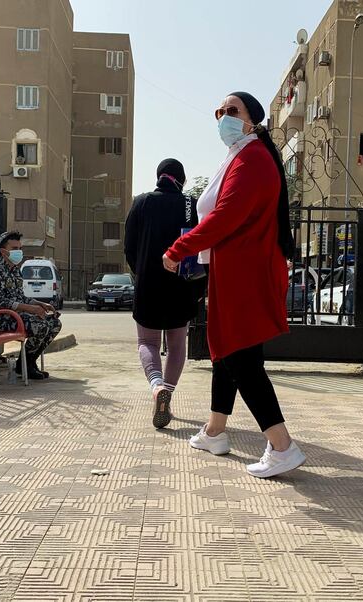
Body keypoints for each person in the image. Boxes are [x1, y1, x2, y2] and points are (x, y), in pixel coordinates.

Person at [162, 91, 306, 479]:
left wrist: (178, 248)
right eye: (219, 112)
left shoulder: (252, 159)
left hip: (244, 272)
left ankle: (282, 446)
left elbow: (225, 216)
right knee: (226, 353)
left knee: (241, 359)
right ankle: (215, 431)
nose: (223, 117)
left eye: (232, 111)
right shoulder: (241, 157)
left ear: (252, 120)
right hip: (236, 269)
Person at [125, 158, 204, 429]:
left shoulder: (141, 202)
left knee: (146, 342)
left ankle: (157, 386)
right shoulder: (189, 204)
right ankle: (168, 390)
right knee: (177, 344)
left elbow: (129, 247)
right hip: (181, 284)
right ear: (181, 179)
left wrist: (142, 272)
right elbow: (201, 247)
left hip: (148, 285)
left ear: (159, 176)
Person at [0, 231, 62, 380]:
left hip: (14, 316)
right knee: (40, 324)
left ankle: (27, 363)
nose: (19, 252)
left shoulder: (16, 270)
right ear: (3, 251)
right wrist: (30, 309)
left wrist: (40, 304)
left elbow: (20, 296)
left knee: (54, 323)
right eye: (14, 248)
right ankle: (25, 365)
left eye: (20, 248)